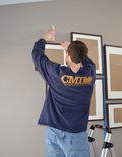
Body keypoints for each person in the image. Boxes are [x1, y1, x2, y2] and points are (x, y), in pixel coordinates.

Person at [31, 26, 96, 157]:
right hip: (76, 133)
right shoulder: (90, 74)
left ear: (68, 56)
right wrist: (73, 49)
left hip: (54, 130)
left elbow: (37, 55)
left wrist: (45, 37)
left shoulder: (56, 73)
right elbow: (88, 61)